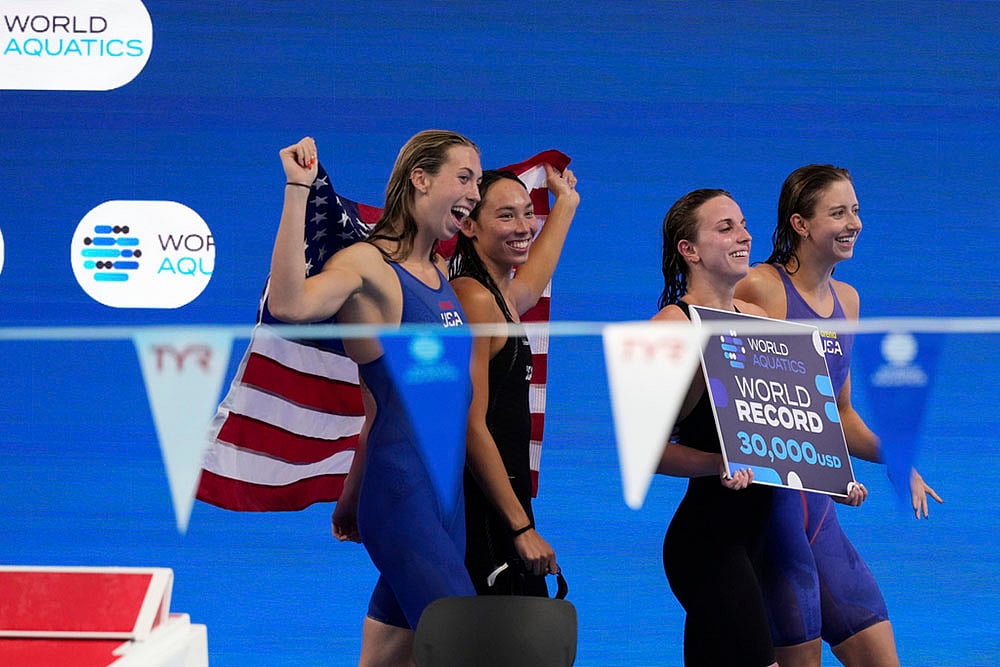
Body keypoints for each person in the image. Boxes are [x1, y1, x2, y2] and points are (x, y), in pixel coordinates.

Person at [270, 131, 483, 666]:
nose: (475, 193)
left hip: (442, 506)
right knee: (468, 648)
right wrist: (298, 189)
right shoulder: (368, 265)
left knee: (391, 658)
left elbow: (378, 411)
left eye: (478, 181)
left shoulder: (438, 276)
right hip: (404, 497)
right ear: (420, 179)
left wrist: (350, 492)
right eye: (465, 177)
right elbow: (291, 304)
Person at [734, 164, 944, 667]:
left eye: (856, 211)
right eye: (839, 212)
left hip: (819, 515)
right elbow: (737, 406)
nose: (854, 223)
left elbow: (840, 415)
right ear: (801, 224)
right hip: (771, 510)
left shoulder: (846, 300)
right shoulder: (760, 288)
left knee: (880, 657)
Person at [652, 188, 778, 667]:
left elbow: (784, 429)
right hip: (707, 542)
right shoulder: (672, 328)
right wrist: (718, 462)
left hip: (755, 536)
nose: (744, 235)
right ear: (690, 250)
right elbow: (648, 451)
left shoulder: (761, 321)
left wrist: (833, 477)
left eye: (743, 223)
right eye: (725, 227)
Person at [449, 165, 579, 595]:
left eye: (528, 213)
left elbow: (531, 282)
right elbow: (469, 425)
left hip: (497, 506)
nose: (524, 226)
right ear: (467, 224)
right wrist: (520, 527)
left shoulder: (497, 295)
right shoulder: (474, 298)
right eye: (506, 216)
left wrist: (566, 205)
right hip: (485, 517)